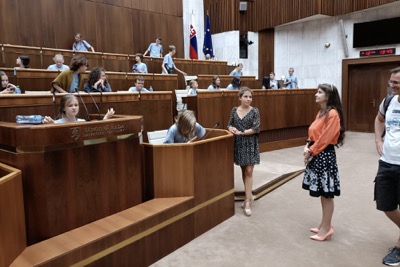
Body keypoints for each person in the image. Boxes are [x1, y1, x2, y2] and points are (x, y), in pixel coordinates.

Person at [302, 83, 345, 241]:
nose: (316, 94)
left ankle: (327, 228)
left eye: (319, 92)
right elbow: (313, 134)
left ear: (328, 96)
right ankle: (324, 224)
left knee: (327, 194)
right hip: (317, 153)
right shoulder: (321, 112)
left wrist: (311, 151)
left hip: (324, 155)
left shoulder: (333, 113)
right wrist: (307, 146)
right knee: (322, 192)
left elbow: (326, 138)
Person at [373, 66, 400, 266]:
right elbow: (379, 120)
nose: (391, 86)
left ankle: (399, 248)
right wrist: (378, 140)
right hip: (387, 162)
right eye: (390, 82)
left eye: (396, 82)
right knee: (385, 204)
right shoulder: (389, 101)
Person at [227, 87, 260, 217]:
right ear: (240, 97)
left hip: (250, 142)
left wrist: (242, 132)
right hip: (239, 144)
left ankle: (247, 202)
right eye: (246, 96)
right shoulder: (234, 111)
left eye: (250, 97)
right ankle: (248, 194)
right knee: (243, 170)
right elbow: (229, 124)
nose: (248, 99)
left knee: (249, 171)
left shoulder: (255, 111)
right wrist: (231, 129)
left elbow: (256, 128)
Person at [42, 94, 114, 124]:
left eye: (76, 105)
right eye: (70, 106)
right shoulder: (56, 123)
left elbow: (97, 129)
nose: (74, 108)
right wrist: (51, 124)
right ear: (63, 108)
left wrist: (106, 117)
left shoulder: (82, 122)